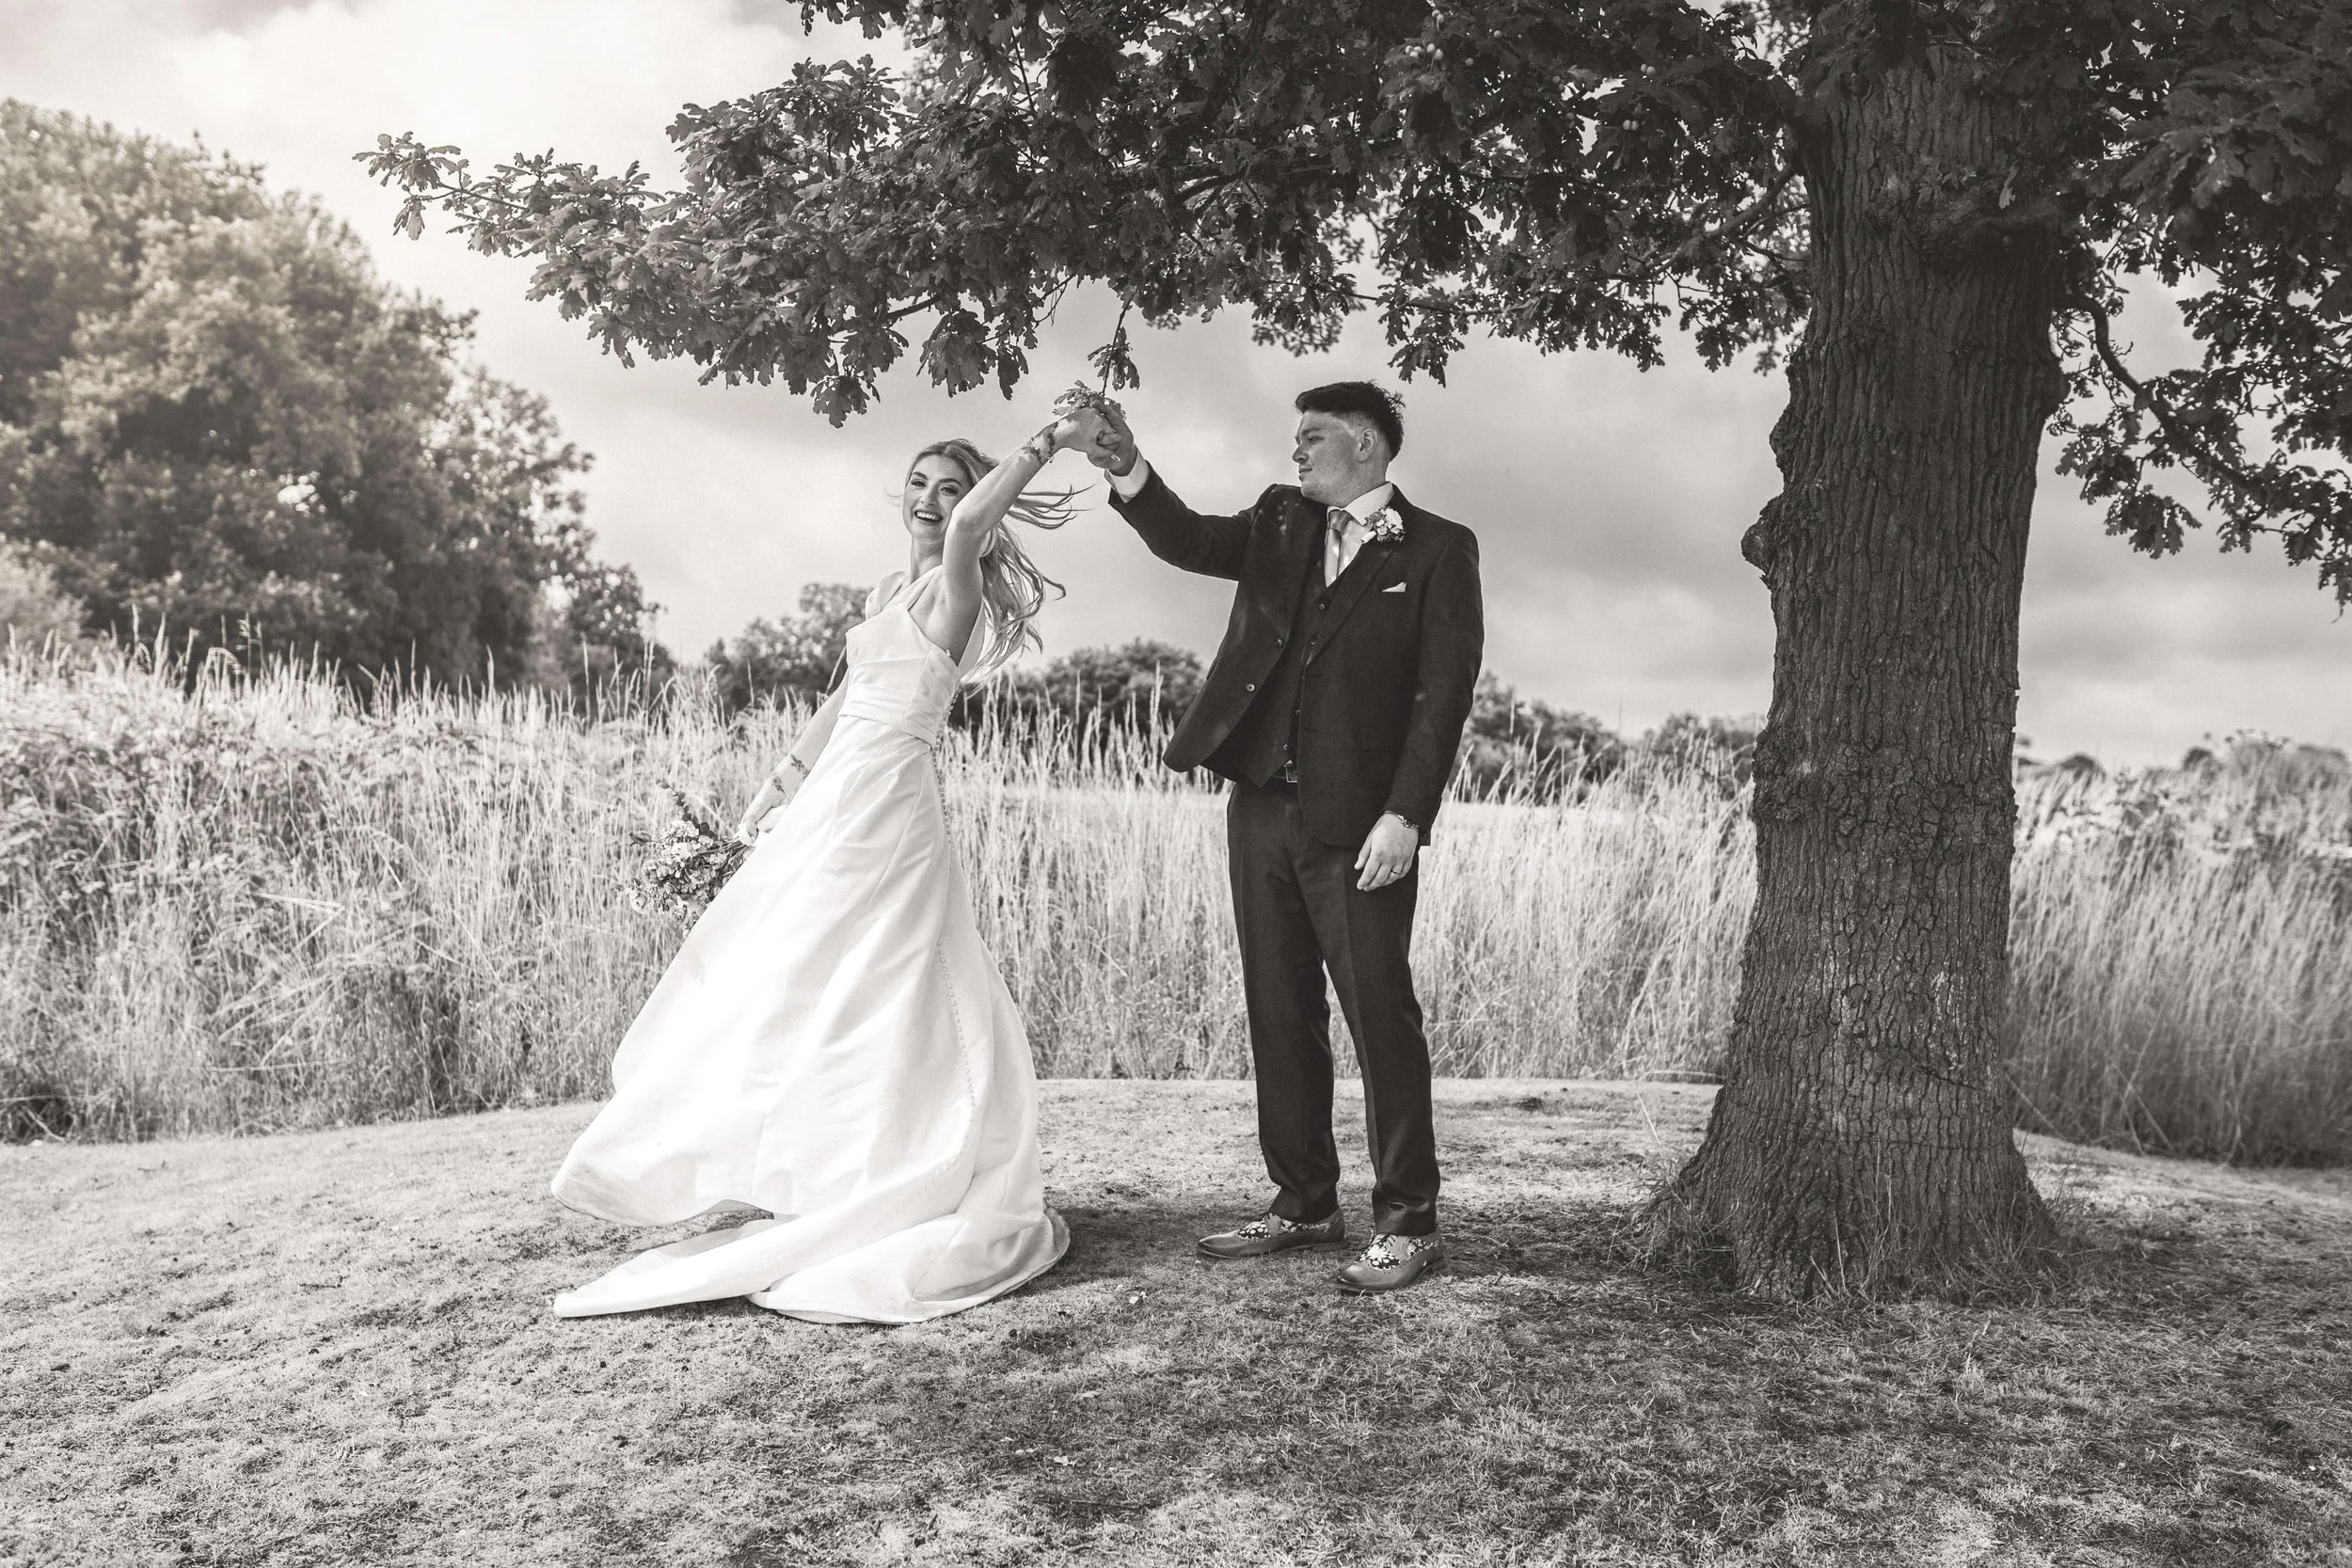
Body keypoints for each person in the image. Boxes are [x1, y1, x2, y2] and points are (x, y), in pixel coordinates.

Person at [546, 407, 1105, 1322]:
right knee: (801, 965)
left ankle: (924, 1162)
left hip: (890, 794)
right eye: (919, 484)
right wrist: (771, 797)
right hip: (833, 792)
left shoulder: (958, 581)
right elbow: (839, 701)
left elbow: (966, 536)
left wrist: (1052, 437)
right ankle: (832, 1157)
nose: (932, 502)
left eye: (952, 487)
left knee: (897, 968)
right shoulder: (892, 586)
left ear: (979, 507)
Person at [1083, 381, 1483, 1294]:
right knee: (1277, 1006)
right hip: (1260, 806)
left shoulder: (1437, 550)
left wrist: (1405, 815)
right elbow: (1188, 539)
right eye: (1293, 440)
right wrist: (1124, 463)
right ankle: (1303, 1200)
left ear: (1367, 450)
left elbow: (1441, 694)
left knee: (1381, 1015)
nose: (1294, 454)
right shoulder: (1277, 521)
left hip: (1361, 826)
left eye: (1311, 439)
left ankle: (1408, 1221)